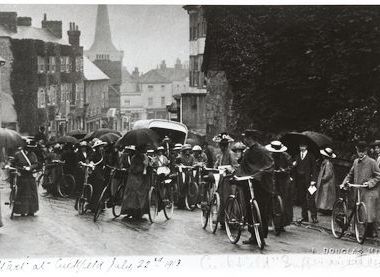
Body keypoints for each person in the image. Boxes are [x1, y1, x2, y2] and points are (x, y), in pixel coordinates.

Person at [237, 129, 274, 244]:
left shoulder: (263, 151)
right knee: (249, 209)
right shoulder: (247, 151)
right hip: (249, 184)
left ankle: (261, 237)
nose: (244, 140)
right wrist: (237, 176)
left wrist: (259, 174)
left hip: (261, 185)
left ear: (249, 138)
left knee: (261, 211)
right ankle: (253, 235)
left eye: (245, 138)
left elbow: (269, 165)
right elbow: (243, 166)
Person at [342, 141, 380, 238]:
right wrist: (344, 183)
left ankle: (370, 233)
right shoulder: (355, 162)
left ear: (366, 151)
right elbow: (350, 174)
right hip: (357, 190)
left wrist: (370, 183)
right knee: (356, 210)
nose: (361, 153)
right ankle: (357, 232)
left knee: (367, 213)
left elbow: (378, 176)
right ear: (357, 151)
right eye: (359, 151)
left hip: (369, 191)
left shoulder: (372, 162)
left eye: (363, 151)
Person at [265, 140, 293, 235]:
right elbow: (266, 166)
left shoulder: (286, 156)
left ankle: (282, 224)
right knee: (270, 200)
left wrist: (284, 170)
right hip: (272, 180)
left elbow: (291, 167)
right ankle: (270, 222)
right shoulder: (269, 156)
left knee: (284, 202)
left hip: (283, 181)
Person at [212, 133, 239, 229]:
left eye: (224, 145)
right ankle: (222, 220)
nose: (222, 147)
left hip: (229, 180)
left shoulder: (231, 154)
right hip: (221, 180)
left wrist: (228, 168)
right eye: (221, 145)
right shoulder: (220, 155)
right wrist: (216, 168)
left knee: (229, 199)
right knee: (221, 200)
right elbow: (215, 166)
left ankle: (230, 219)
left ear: (227, 145)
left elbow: (235, 167)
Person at [11, 139, 39, 216]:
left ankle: (31, 210)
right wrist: (17, 168)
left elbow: (36, 164)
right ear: (26, 147)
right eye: (29, 148)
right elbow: (13, 163)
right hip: (22, 176)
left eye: (32, 148)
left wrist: (30, 167)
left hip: (30, 176)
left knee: (32, 194)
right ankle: (22, 211)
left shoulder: (33, 154)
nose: (31, 149)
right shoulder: (18, 154)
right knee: (22, 194)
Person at [121, 144, 150, 219]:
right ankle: (132, 211)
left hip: (138, 177)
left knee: (135, 194)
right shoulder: (140, 157)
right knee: (134, 194)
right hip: (135, 177)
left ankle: (135, 211)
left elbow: (142, 167)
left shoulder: (142, 157)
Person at [293, 142, 318, 223]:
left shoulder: (311, 156)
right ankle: (305, 217)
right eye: (300, 145)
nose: (302, 147)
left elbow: (314, 168)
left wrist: (313, 180)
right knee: (302, 198)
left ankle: (314, 216)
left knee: (311, 198)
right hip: (300, 180)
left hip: (309, 180)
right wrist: (293, 165)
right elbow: (294, 168)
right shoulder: (297, 156)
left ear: (306, 146)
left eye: (303, 145)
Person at [315, 147, 337, 215]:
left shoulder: (327, 163)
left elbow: (328, 174)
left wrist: (322, 179)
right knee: (325, 196)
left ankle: (327, 209)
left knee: (326, 196)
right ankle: (325, 209)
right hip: (327, 182)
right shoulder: (325, 162)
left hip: (327, 183)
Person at [87, 139, 107, 212]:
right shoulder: (94, 154)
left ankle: (100, 205)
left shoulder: (103, 154)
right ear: (97, 148)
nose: (101, 148)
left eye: (102, 147)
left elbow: (104, 162)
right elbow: (91, 160)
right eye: (100, 147)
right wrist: (91, 163)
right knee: (96, 190)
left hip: (101, 172)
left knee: (100, 189)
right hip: (95, 173)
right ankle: (93, 206)